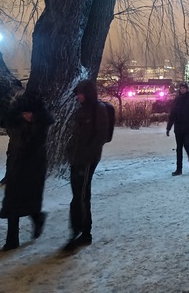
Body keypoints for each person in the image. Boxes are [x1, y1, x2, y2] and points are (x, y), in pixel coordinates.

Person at [0, 92, 53, 251]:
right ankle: (12, 240)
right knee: (12, 205)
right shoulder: (15, 123)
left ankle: (37, 218)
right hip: (16, 167)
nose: (27, 115)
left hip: (34, 168)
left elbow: (34, 146)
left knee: (30, 202)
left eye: (30, 112)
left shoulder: (41, 125)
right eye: (24, 113)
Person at [64, 80, 110, 251]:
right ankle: (77, 231)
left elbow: (101, 136)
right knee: (77, 195)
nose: (78, 96)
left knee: (82, 196)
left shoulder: (99, 109)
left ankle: (84, 233)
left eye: (81, 93)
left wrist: (88, 155)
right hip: (76, 159)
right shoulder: (81, 109)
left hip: (88, 160)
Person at [166, 81, 189, 175]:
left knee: (187, 144)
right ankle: (179, 169)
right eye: (181, 88)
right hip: (178, 127)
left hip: (188, 127)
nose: (182, 90)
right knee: (179, 148)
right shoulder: (177, 99)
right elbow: (172, 114)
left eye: (184, 88)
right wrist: (169, 127)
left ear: (186, 89)